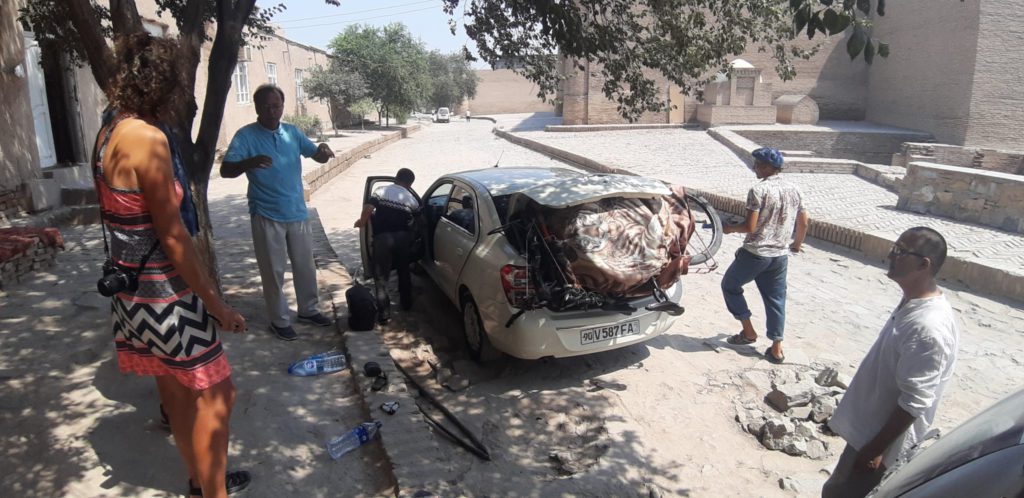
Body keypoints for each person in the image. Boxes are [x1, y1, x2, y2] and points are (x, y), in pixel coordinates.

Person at [93, 33, 249, 498]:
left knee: (177, 392)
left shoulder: (110, 131)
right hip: (166, 295)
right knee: (218, 394)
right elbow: (174, 237)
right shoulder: (147, 138)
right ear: (165, 86)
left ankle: (199, 481)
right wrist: (217, 306)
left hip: (130, 293)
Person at [823, 227, 959, 498]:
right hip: (868, 435)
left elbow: (915, 402)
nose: (890, 255)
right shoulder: (912, 303)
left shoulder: (928, 328)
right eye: (894, 248)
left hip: (878, 445)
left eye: (900, 252)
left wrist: (876, 450)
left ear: (924, 264)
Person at [220, 84, 336, 341]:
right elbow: (225, 170)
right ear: (257, 107)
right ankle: (279, 320)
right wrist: (249, 162)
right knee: (273, 271)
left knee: (305, 266)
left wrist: (324, 149)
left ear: (283, 106)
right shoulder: (246, 136)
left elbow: (315, 154)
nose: (272, 111)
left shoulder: (292, 133)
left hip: (296, 211)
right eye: (267, 106)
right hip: (266, 212)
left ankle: (308, 310)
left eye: (277, 105)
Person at [722, 147, 809, 363]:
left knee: (730, 286)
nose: (755, 168)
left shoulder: (758, 190)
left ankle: (748, 332)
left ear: (768, 167)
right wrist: (796, 245)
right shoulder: (795, 189)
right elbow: (804, 222)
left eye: (758, 165)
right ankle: (776, 348)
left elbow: (750, 227)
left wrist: (730, 228)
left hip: (755, 253)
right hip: (780, 256)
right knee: (776, 300)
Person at [354, 168, 420, 321]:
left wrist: (362, 222)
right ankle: (406, 304)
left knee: (381, 277)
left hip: (382, 239)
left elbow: (369, 208)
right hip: (403, 239)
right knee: (404, 271)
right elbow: (418, 222)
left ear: (395, 179)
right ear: (410, 185)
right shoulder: (411, 199)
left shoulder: (381, 191)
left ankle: (384, 314)